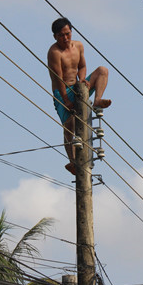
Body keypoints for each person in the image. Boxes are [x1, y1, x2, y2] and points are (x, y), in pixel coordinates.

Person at [47, 17, 111, 175]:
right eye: (61, 35)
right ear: (55, 36)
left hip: (78, 87)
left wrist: (83, 79)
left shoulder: (79, 46)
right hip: (62, 92)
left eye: (67, 34)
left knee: (102, 70)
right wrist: (66, 100)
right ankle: (72, 161)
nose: (65, 38)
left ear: (71, 32)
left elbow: (82, 66)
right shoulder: (54, 52)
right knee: (69, 126)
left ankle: (97, 100)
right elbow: (58, 77)